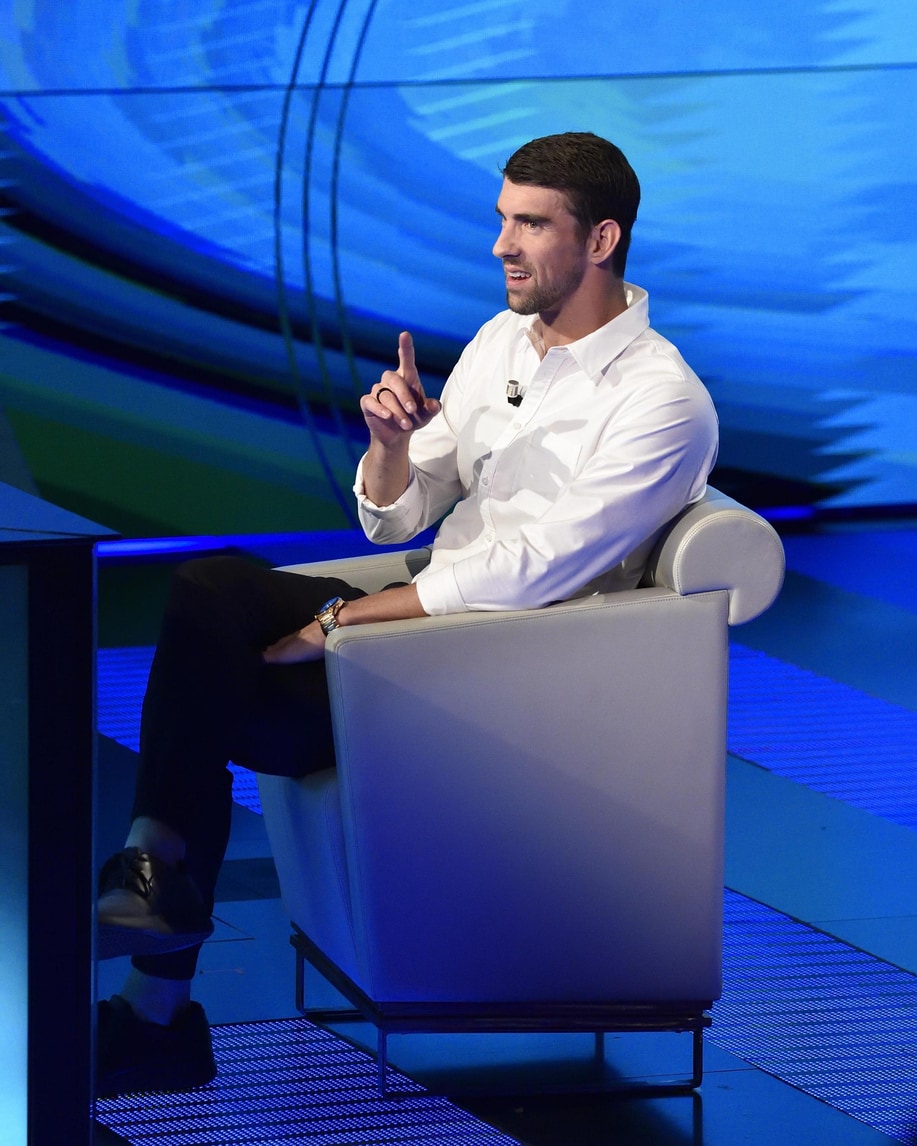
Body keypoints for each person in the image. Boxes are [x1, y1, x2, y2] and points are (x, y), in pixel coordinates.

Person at [96, 131, 719, 1096]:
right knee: (208, 592)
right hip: (422, 631)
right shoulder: (501, 340)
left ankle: (157, 994)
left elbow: (536, 571)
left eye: (530, 224)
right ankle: (153, 872)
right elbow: (398, 514)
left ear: (601, 240)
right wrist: (390, 445)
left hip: (501, 674)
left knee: (205, 690)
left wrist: (340, 624)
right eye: (501, 220)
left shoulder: (661, 401)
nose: (501, 246)